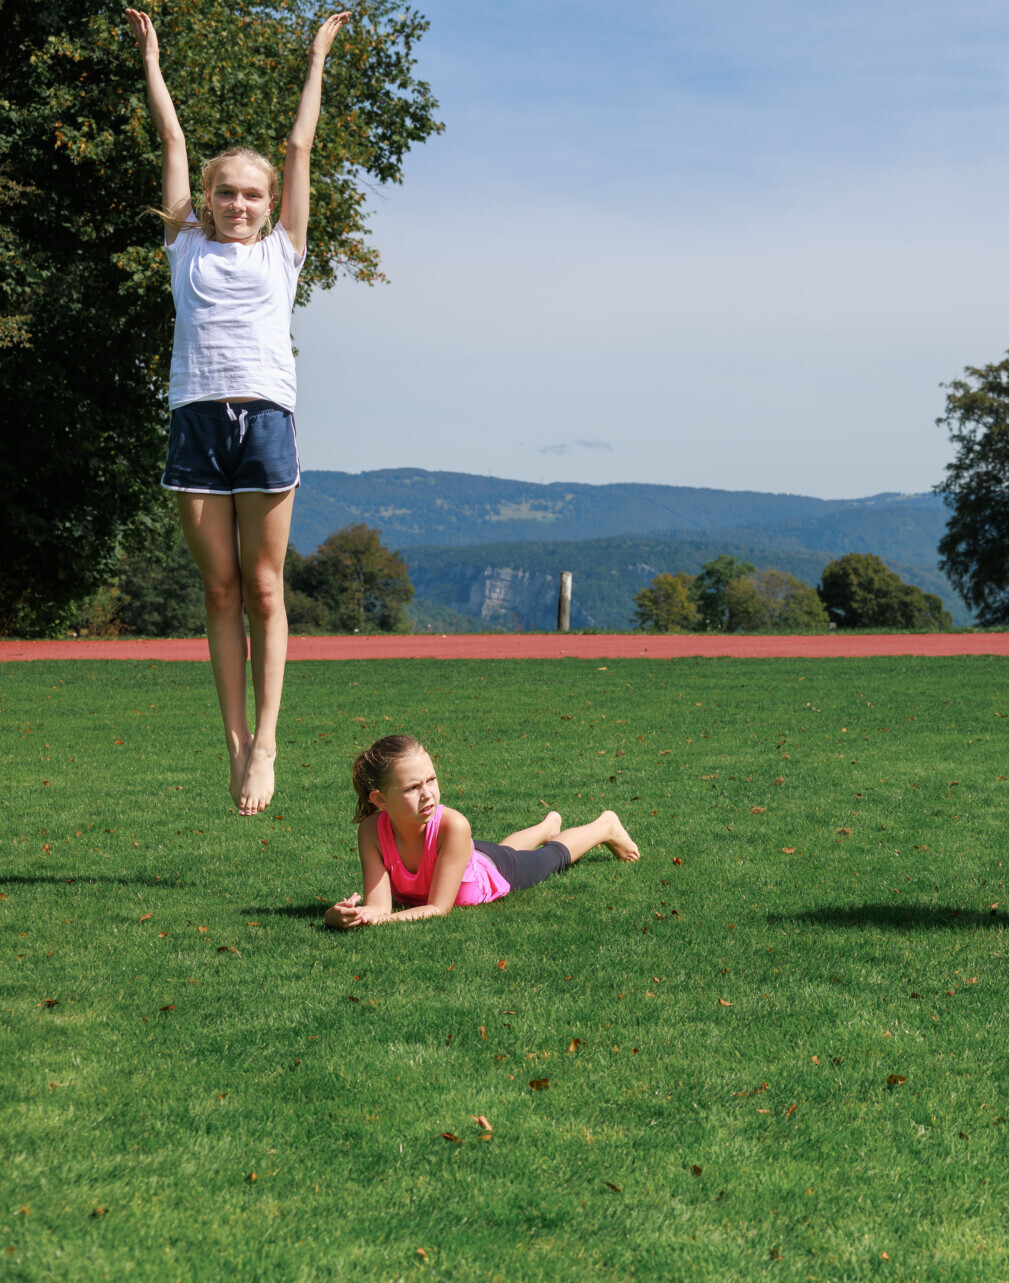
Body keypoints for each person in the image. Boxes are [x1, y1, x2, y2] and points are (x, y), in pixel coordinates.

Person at [127, 7, 351, 815]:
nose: (239, 204)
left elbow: (300, 147)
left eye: (252, 194)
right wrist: (152, 58)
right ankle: (232, 747)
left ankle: (268, 741)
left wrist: (318, 55)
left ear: (268, 203)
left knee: (263, 588)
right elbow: (173, 143)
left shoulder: (283, 250)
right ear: (208, 201)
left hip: (263, 420)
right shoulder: (183, 245)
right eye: (227, 193)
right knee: (218, 592)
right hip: (195, 419)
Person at [325, 735, 642, 929]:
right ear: (380, 800)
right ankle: (546, 826)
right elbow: (379, 906)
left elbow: (437, 909)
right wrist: (341, 916)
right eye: (412, 787)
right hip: (475, 857)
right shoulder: (371, 831)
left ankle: (605, 825)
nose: (428, 795)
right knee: (504, 850)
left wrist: (379, 921)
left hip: (493, 871)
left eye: (431, 780)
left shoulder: (453, 825)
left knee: (551, 858)